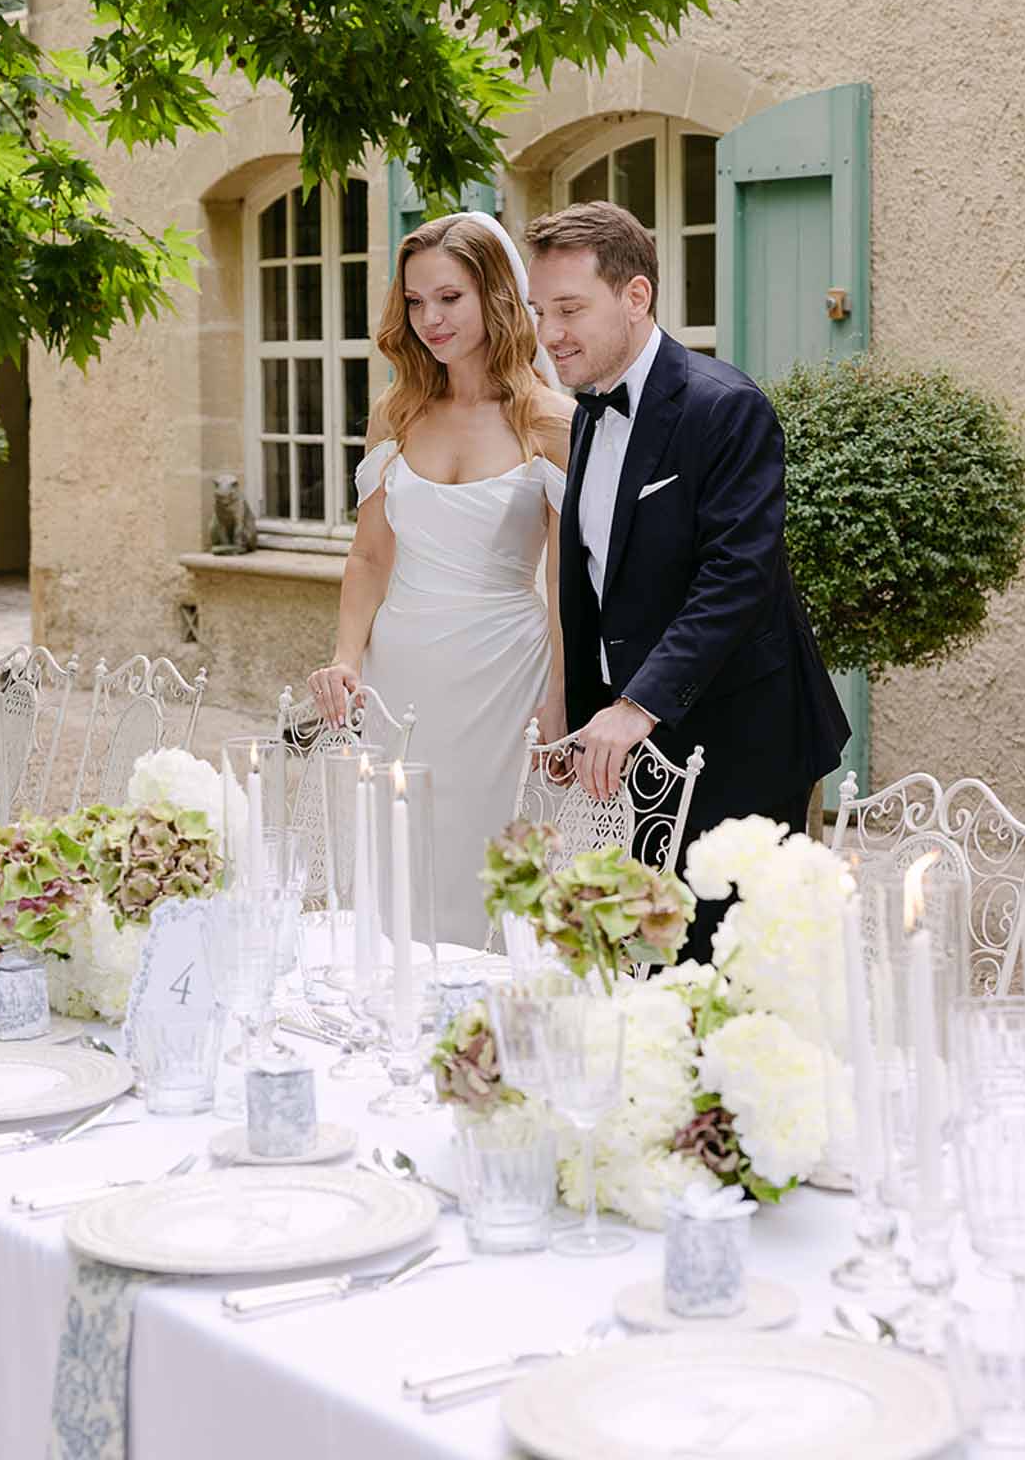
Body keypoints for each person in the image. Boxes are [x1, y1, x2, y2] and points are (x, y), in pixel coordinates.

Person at [524, 199, 849, 961]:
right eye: (542, 312)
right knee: (645, 957)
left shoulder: (726, 408)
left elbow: (735, 578)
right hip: (632, 751)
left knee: (733, 970)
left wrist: (638, 705)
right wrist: (579, 713)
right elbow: (594, 579)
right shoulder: (587, 413)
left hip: (742, 740)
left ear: (636, 298)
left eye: (570, 308)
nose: (550, 334)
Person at [308, 211, 574, 946]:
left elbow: (566, 578)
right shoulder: (395, 413)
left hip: (506, 678)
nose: (430, 319)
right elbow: (368, 556)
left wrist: (559, 694)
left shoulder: (552, 421)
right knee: (400, 858)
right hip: (402, 680)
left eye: (449, 298)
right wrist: (345, 658)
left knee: (494, 865)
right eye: (417, 301)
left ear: (492, 296)